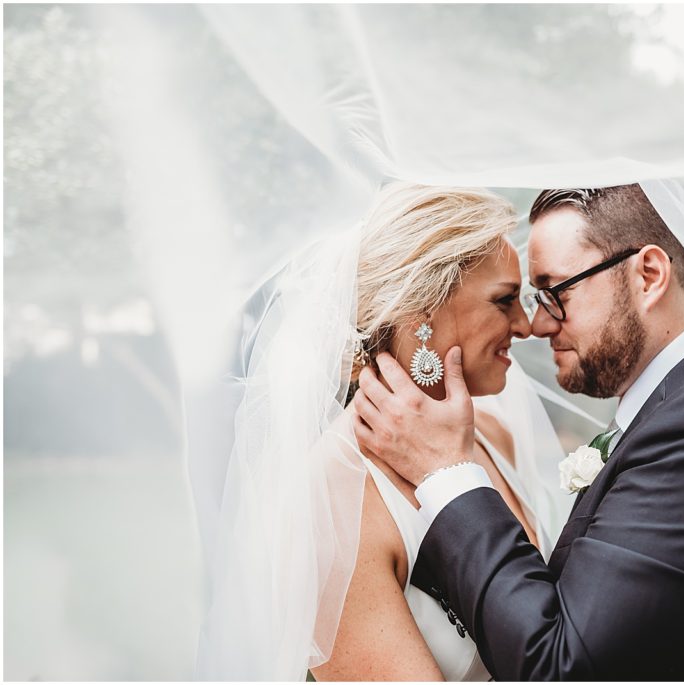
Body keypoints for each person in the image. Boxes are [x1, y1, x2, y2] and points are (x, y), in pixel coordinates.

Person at [352, 184, 684, 680]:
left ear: (648, 275)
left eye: (555, 292)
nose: (537, 325)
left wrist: (446, 473)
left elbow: (563, 665)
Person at [197, 183, 568, 681]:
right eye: (503, 301)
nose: (526, 326)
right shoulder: (331, 501)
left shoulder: (492, 436)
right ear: (421, 318)